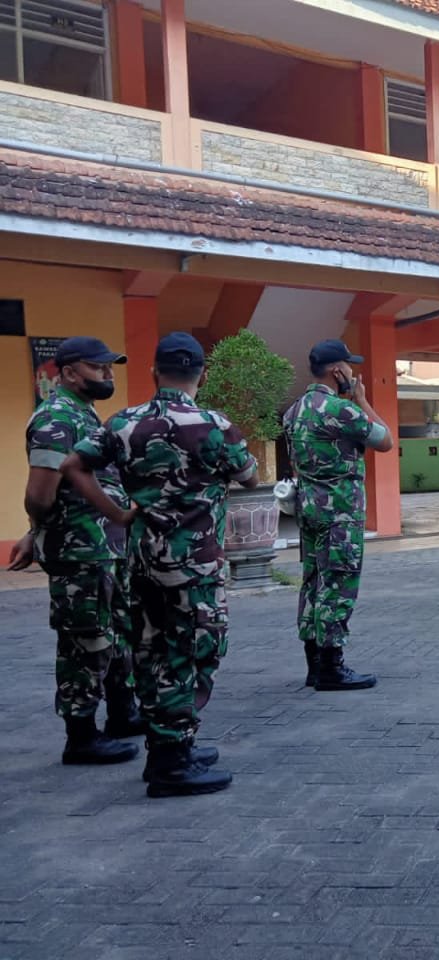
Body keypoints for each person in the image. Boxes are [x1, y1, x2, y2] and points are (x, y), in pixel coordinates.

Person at [63, 333, 258, 798]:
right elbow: (250, 477)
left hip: (142, 561)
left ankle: (171, 746)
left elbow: (73, 465)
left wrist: (116, 512)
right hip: (195, 568)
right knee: (194, 652)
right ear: (202, 375)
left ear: (154, 372)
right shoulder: (214, 424)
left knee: (149, 653)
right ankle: (171, 761)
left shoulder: (124, 422)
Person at [10, 336, 143, 766]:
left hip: (106, 547)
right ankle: (81, 735)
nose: (108, 375)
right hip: (80, 550)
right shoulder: (55, 419)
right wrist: (39, 531)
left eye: (110, 368)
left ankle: (123, 714)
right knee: (84, 639)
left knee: (118, 632)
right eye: (98, 367)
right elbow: (40, 494)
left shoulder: (83, 413)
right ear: (68, 372)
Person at [283, 339, 393, 693]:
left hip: (309, 511)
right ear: (337, 371)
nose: (352, 372)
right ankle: (332, 666)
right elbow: (385, 439)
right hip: (340, 515)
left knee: (313, 583)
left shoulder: (294, 410)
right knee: (339, 584)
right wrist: (361, 400)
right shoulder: (340, 410)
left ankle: (313, 664)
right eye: (349, 366)